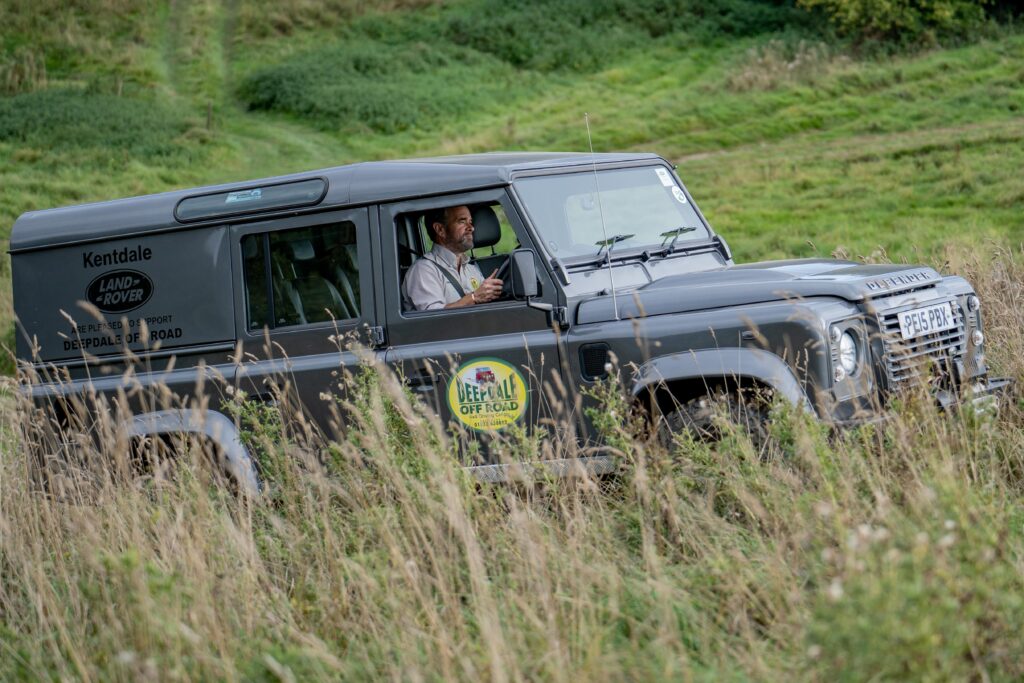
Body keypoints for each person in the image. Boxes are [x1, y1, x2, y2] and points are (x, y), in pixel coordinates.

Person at [402, 205, 504, 311]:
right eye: (462, 221)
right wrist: (474, 297)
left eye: (470, 221)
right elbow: (433, 318)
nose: (471, 228)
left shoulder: (471, 269)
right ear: (440, 229)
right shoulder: (423, 270)